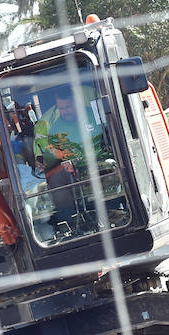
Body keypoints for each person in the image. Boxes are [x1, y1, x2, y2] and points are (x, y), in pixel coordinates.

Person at [33, 91, 106, 233]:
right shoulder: (55, 129)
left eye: (68, 107)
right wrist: (62, 165)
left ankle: (112, 212)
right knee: (56, 180)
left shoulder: (93, 115)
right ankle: (69, 223)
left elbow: (107, 139)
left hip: (98, 163)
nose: (65, 112)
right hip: (72, 170)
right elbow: (51, 163)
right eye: (61, 109)